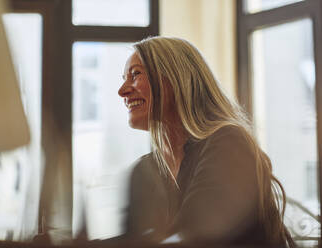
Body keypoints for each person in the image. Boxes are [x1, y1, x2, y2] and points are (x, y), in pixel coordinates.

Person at [117, 36, 295, 247]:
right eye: (124, 78)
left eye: (135, 74)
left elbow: (197, 237)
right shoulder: (145, 169)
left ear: (176, 78)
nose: (122, 90)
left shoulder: (228, 144)